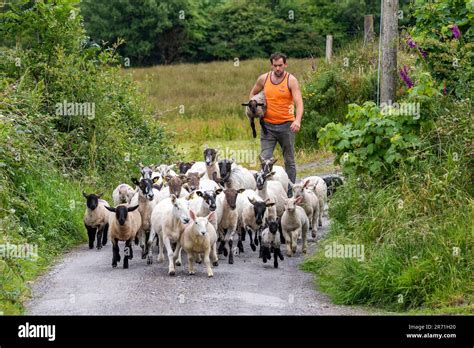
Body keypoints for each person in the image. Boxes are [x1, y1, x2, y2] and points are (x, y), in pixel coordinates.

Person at [248, 52, 304, 196]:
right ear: (271, 65)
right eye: (275, 66)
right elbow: (253, 94)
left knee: (289, 161)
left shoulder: (291, 80)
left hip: (287, 126)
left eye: (280, 65)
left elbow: (299, 102)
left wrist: (297, 120)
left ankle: (290, 194)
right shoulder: (264, 79)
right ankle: (265, 194)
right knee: (265, 160)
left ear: (285, 64)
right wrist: (254, 108)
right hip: (267, 127)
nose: (278, 68)